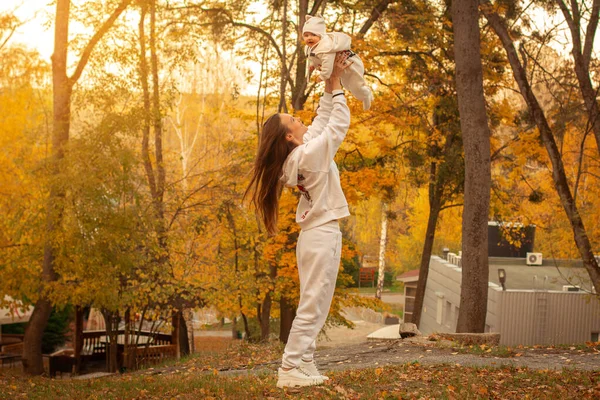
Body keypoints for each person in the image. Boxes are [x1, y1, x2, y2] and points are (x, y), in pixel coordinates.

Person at [245, 53, 351, 388]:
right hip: (321, 235)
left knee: (315, 302)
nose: (301, 120)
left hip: (313, 236)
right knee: (314, 304)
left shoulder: (299, 155)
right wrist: (338, 90)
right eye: (294, 120)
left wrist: (330, 83)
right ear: (289, 136)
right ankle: (290, 368)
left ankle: (304, 362)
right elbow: (336, 127)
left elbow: (320, 124)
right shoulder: (309, 155)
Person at [303, 14, 373, 111]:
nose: (309, 38)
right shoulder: (309, 48)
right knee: (347, 86)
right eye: (306, 35)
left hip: (351, 65)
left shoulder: (327, 47)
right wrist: (312, 65)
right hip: (339, 67)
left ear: (321, 36)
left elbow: (327, 65)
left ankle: (366, 94)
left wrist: (322, 76)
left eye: (313, 35)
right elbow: (313, 57)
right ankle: (362, 95)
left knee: (356, 85)